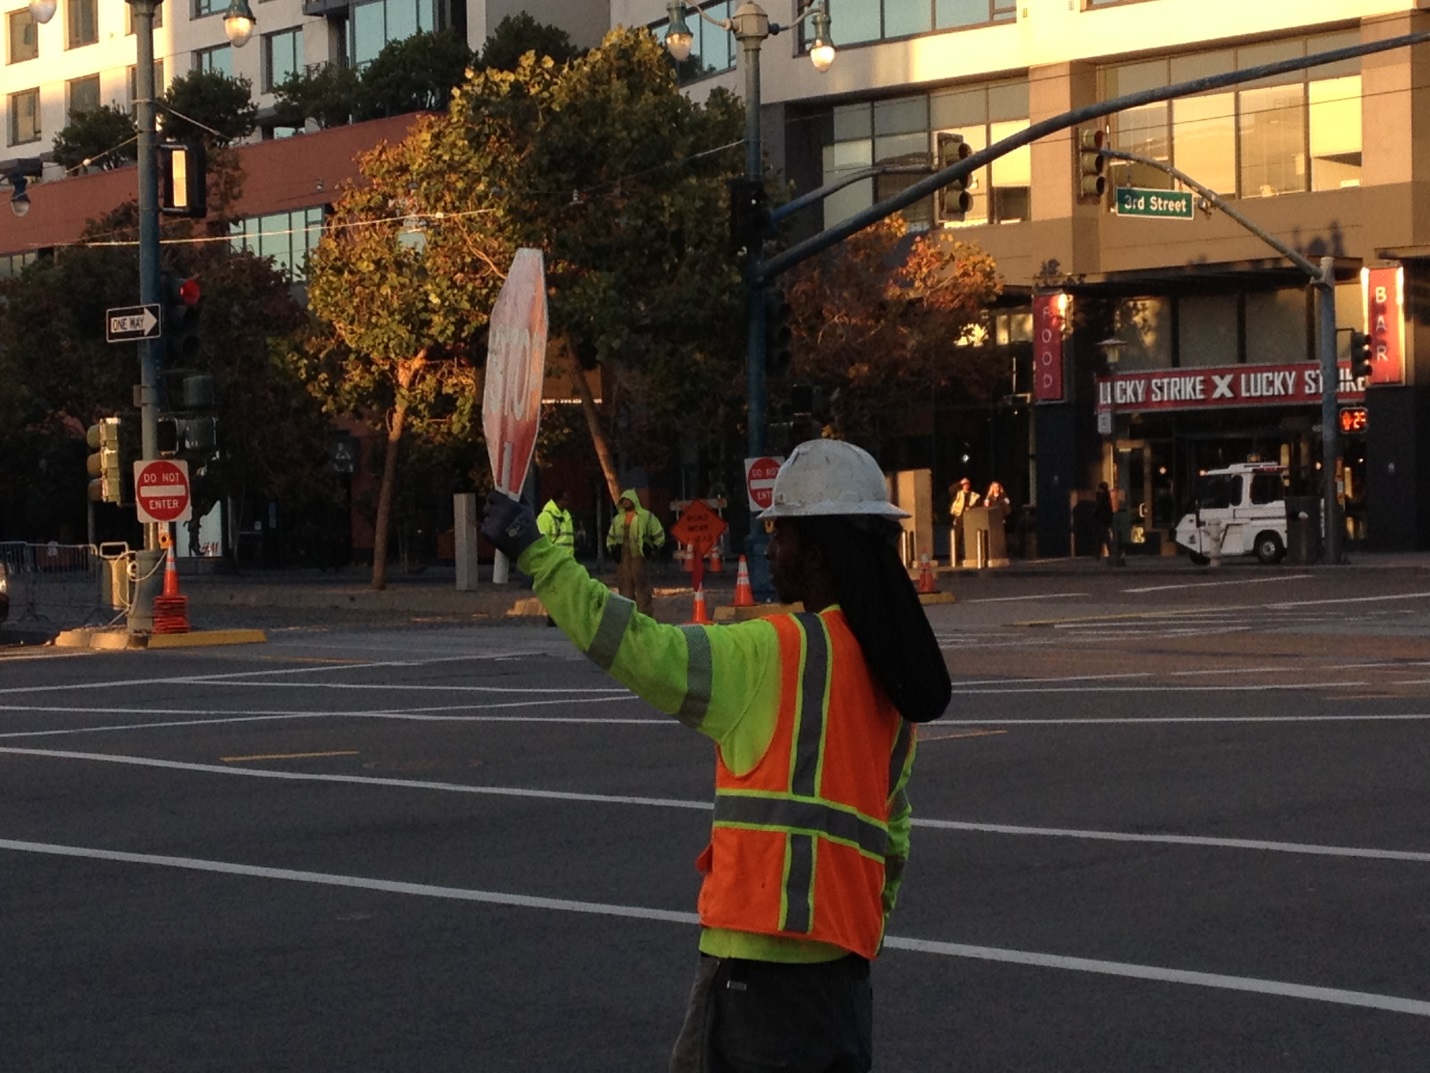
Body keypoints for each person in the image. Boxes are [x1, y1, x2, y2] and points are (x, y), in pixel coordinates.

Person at [481, 439, 952, 1073]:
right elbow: (893, 838)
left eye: (779, 533)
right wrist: (852, 938)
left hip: (759, 982)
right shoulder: (892, 682)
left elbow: (635, 646)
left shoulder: (774, 652)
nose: (769, 549)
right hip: (842, 985)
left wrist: (538, 556)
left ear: (818, 552)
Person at [605, 488, 666, 616]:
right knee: (624, 587)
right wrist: (612, 549)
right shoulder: (617, 519)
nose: (626, 503)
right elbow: (611, 537)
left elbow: (659, 533)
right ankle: (627, 615)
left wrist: (654, 548)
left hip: (639, 556)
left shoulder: (646, 516)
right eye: (624, 501)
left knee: (642, 586)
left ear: (634, 500)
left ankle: (645, 615)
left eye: (628, 500)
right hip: (623, 558)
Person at [948, 477, 980, 566]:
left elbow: (978, 505)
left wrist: (971, 508)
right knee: (956, 538)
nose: (966, 486)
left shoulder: (974, 495)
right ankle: (955, 559)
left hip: (970, 519)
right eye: (964, 484)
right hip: (959, 518)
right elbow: (951, 490)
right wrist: (959, 482)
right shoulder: (957, 494)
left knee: (967, 539)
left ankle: (966, 557)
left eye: (967, 484)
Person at [536, 491, 576, 557]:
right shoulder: (545, 516)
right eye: (565, 500)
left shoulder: (567, 516)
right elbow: (541, 541)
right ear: (558, 500)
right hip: (553, 559)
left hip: (568, 559)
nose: (567, 503)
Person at [1093, 481, 1123, 565]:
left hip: (1101, 520)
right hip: (1105, 519)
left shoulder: (1101, 497)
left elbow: (1098, 508)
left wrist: (1094, 516)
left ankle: (1109, 553)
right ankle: (1098, 554)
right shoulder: (1107, 497)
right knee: (1101, 537)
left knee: (1105, 537)